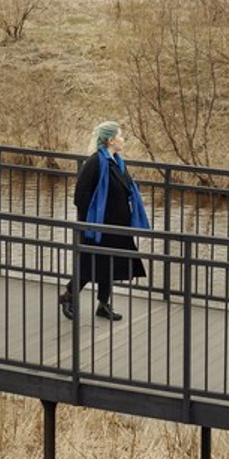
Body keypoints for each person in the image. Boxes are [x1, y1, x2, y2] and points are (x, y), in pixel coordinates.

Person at [59, 121, 149, 321]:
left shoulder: (117, 161)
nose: (123, 139)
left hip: (116, 226)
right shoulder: (95, 163)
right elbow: (80, 196)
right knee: (90, 265)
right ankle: (68, 295)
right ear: (109, 140)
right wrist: (89, 225)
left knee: (111, 264)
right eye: (120, 136)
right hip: (98, 227)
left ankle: (103, 305)